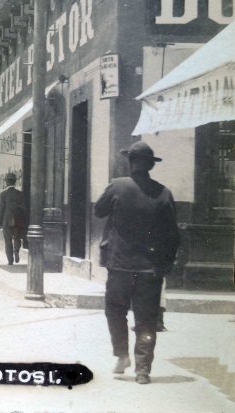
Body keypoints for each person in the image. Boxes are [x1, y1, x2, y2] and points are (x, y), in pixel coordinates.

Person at [94, 141, 180, 385]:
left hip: (119, 264)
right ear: (150, 165)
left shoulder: (118, 186)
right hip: (150, 268)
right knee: (146, 320)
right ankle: (143, 370)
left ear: (130, 162)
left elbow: (99, 211)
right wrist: (166, 265)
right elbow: (173, 235)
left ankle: (121, 355)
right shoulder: (164, 193)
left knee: (115, 311)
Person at [0, 172, 26, 265]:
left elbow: (1, 209)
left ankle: (10, 260)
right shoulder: (20, 194)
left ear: (6, 182)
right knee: (17, 238)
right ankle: (16, 251)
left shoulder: (3, 194)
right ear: (14, 182)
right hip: (18, 221)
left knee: (8, 241)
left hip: (7, 221)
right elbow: (23, 208)